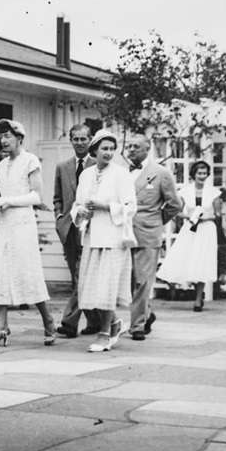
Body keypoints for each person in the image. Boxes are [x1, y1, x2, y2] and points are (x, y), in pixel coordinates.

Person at [0, 119, 54, 347]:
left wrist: (7, 201)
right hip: (5, 224)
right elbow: (2, 195)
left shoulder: (30, 161)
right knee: (2, 272)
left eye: (8, 136)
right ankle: (1, 327)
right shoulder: (2, 165)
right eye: (1, 137)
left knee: (28, 272)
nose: (4, 141)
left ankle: (48, 321)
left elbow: (36, 197)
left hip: (23, 224)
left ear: (19, 138)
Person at [71, 129, 136, 352]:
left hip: (113, 238)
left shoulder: (121, 174)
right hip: (92, 237)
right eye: (104, 149)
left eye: (111, 149)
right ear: (94, 151)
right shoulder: (86, 175)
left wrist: (105, 206)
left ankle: (105, 333)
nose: (108, 153)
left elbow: (130, 206)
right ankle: (116, 323)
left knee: (106, 288)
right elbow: (77, 205)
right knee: (94, 287)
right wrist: (82, 213)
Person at [127, 134, 181, 340]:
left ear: (147, 149)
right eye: (129, 146)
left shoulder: (160, 173)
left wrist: (157, 221)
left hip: (148, 234)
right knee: (130, 281)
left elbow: (174, 204)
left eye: (136, 147)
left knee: (142, 281)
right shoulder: (122, 173)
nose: (131, 150)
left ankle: (137, 325)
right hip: (124, 233)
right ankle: (146, 314)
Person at [157, 160, 221, 312]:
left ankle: (199, 298)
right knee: (186, 257)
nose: (202, 176)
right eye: (199, 173)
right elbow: (176, 210)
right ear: (194, 174)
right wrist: (187, 216)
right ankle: (179, 290)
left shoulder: (214, 192)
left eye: (205, 173)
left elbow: (218, 214)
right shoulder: (185, 191)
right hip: (190, 228)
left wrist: (207, 217)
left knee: (202, 261)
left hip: (206, 229)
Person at [54, 124, 98, 339]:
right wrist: (59, 218)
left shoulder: (99, 165)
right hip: (69, 230)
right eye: (76, 139)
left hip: (91, 228)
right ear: (71, 141)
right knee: (77, 276)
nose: (80, 143)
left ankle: (69, 322)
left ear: (90, 140)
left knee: (83, 275)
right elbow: (57, 198)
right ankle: (96, 321)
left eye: (83, 139)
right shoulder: (62, 167)